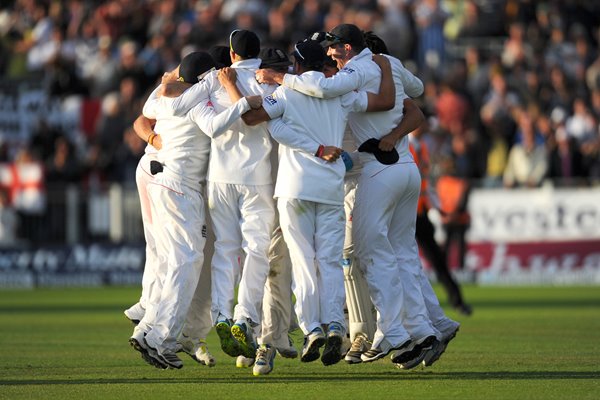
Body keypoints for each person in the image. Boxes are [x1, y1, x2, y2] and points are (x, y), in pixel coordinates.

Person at [257, 23, 440, 365]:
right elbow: (399, 100)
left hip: (324, 182)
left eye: (334, 49)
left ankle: (340, 330)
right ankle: (409, 329)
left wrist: (273, 84)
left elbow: (268, 115)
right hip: (364, 178)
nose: (331, 57)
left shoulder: (324, 86)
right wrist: (388, 68)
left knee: (341, 257)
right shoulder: (359, 81)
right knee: (360, 257)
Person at [235, 38, 396, 373]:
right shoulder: (339, 92)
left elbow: (261, 121)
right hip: (330, 185)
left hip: (294, 187)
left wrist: (311, 145)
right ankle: (335, 324)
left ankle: (312, 329)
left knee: (303, 262)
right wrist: (384, 67)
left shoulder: (286, 92)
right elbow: (383, 102)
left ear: (295, 64)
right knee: (329, 261)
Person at [128, 52, 259, 369]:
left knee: (175, 261)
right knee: (187, 260)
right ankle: (162, 338)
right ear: (206, 77)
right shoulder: (198, 103)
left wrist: (171, 78)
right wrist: (245, 102)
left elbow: (146, 110)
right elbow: (215, 127)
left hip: (165, 181)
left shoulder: (166, 97)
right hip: (179, 187)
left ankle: (148, 330)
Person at [161, 30, 279, 366]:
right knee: (257, 249)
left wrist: (195, 85)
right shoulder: (267, 80)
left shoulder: (216, 78)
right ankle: (245, 317)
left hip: (221, 177)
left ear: (230, 53)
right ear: (258, 52)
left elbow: (179, 104)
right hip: (257, 179)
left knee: (226, 249)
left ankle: (223, 314)